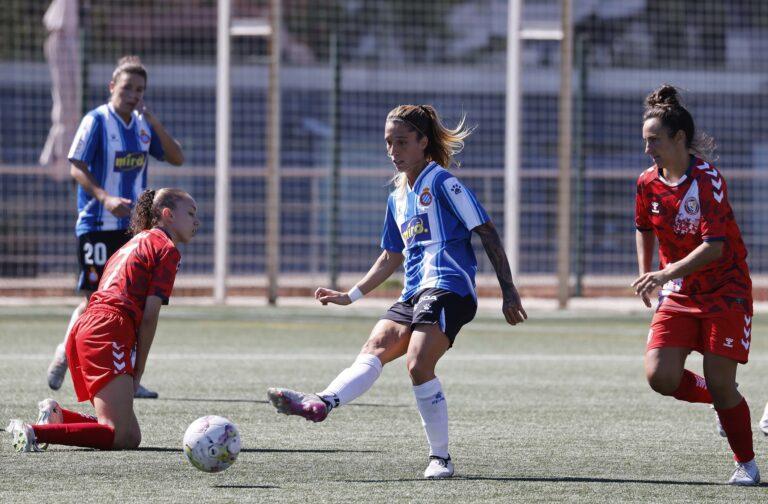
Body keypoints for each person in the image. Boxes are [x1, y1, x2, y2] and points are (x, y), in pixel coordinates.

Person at [267, 104, 527, 479]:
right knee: (373, 348)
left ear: (423, 142)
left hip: (450, 288)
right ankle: (322, 402)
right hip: (414, 292)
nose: (394, 151)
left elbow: (485, 229)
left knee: (418, 364)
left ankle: (441, 458)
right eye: (389, 143)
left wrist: (509, 291)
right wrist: (349, 296)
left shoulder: (442, 182)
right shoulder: (397, 197)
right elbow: (390, 256)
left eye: (402, 142)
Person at [7, 188, 198, 452]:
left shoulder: (134, 242)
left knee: (131, 436)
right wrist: (138, 369)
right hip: (108, 330)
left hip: (89, 325)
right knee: (116, 434)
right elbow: (150, 316)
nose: (196, 221)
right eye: (190, 213)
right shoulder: (166, 249)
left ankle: (58, 416)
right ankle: (33, 432)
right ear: (168, 215)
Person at [632, 85, 758, 485]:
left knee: (721, 381)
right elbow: (642, 227)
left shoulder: (707, 180)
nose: (648, 149)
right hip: (679, 293)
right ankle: (723, 402)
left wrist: (665, 273)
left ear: (679, 139)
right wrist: (648, 273)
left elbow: (714, 248)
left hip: (726, 290)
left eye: (654, 140)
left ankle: (747, 466)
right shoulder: (647, 182)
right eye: (645, 141)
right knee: (660, 376)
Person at [46, 55, 184, 399]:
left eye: (140, 89)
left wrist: (152, 120)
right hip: (97, 223)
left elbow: (177, 156)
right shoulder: (96, 121)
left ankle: (127, 376)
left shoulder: (141, 125)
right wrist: (105, 197)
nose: (133, 94)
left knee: (131, 303)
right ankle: (66, 351)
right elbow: (75, 165)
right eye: (127, 88)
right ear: (112, 87)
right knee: (95, 299)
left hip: (133, 231)